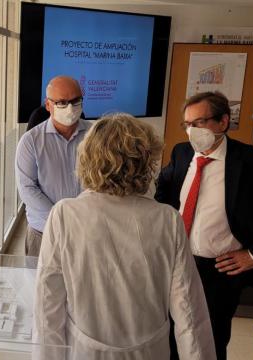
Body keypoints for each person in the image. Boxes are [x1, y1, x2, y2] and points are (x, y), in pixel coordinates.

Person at [34, 113, 215, 360]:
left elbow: (48, 304)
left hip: (85, 351)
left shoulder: (65, 214)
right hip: (150, 351)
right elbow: (189, 310)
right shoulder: (167, 219)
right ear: (145, 162)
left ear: (87, 159)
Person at [155, 91, 253, 360]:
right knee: (170, 334)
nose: (192, 131)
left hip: (219, 268)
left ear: (223, 122)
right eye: (187, 124)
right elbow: (162, 195)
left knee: (209, 340)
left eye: (199, 123)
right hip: (178, 261)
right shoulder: (181, 153)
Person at [15, 75, 91, 265]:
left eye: (75, 101)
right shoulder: (31, 141)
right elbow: (27, 188)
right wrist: (60, 219)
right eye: (62, 102)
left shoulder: (95, 135)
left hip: (85, 231)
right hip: (43, 234)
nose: (70, 107)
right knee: (37, 290)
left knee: (80, 290)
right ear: (48, 105)